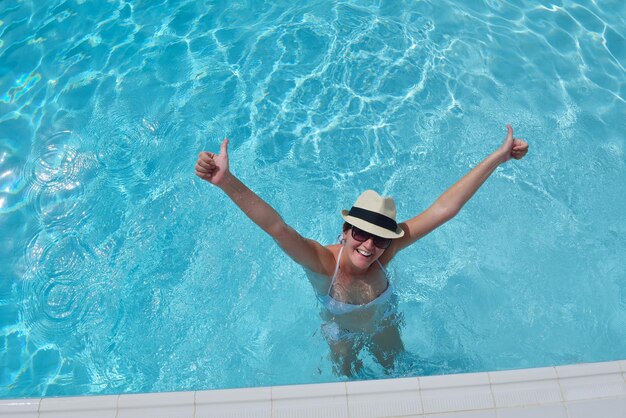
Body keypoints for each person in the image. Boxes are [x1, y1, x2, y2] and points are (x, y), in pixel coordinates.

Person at [195, 125, 529, 376]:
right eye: (361, 234)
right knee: (350, 382)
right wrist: (227, 181)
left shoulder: (387, 252)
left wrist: (497, 158)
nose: (369, 246)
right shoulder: (324, 262)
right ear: (345, 232)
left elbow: (444, 209)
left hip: (383, 323)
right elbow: (277, 227)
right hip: (341, 330)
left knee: (398, 371)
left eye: (380, 238)